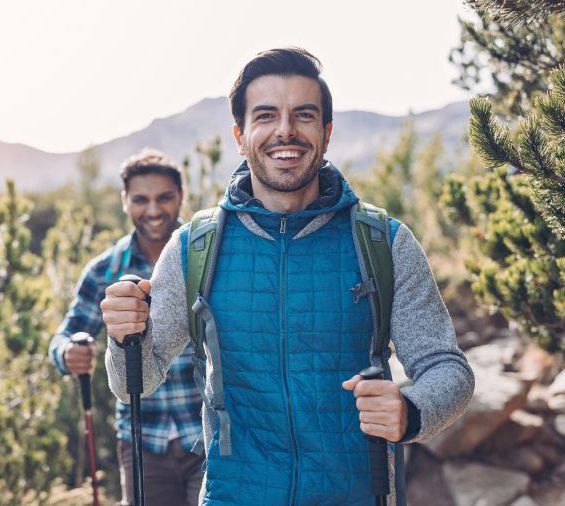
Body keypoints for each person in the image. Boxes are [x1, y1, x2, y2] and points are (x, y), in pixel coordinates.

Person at [101, 47, 474, 505]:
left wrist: (411, 410)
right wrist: (123, 338)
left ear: (327, 132)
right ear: (240, 135)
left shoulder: (383, 243)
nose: (285, 130)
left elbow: (447, 368)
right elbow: (134, 382)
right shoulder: (193, 248)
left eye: (303, 115)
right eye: (265, 115)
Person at [49, 149, 204, 506]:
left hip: (208, 436)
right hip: (140, 439)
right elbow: (65, 334)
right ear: (124, 202)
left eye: (164, 197)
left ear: (181, 197)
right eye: (140, 199)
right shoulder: (104, 270)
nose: (153, 210)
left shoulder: (204, 258)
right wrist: (67, 353)